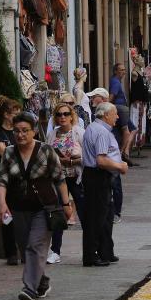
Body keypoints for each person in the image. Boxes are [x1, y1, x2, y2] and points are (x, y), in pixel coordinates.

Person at [0, 112, 72, 300]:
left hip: (44, 208)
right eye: (16, 131)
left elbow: (59, 178)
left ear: (34, 131)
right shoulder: (9, 152)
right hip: (19, 207)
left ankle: (29, 288)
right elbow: (2, 180)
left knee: (35, 246)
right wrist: (2, 203)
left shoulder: (46, 150)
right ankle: (41, 281)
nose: (20, 135)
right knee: (24, 248)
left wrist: (66, 204)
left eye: (25, 131)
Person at [80, 102, 128, 267]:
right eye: (115, 113)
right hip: (97, 176)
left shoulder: (96, 128)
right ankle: (91, 256)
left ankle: (105, 251)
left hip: (98, 176)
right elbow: (101, 160)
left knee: (106, 215)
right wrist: (120, 166)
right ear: (106, 115)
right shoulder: (101, 132)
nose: (117, 117)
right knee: (96, 217)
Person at [45, 103, 85, 264]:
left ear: (71, 116)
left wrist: (73, 160)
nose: (62, 117)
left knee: (83, 211)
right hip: (57, 178)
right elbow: (46, 155)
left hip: (75, 177)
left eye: (65, 114)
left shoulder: (79, 132)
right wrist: (58, 160)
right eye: (59, 114)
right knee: (58, 213)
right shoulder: (52, 134)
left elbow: (88, 155)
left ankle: (91, 246)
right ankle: (55, 250)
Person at [0, 95, 22, 265]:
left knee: (24, 214)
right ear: (5, 114)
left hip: (22, 177)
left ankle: (23, 249)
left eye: (18, 112)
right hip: (6, 178)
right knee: (7, 214)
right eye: (14, 113)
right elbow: (3, 152)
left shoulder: (20, 131)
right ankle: (10, 252)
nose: (17, 116)